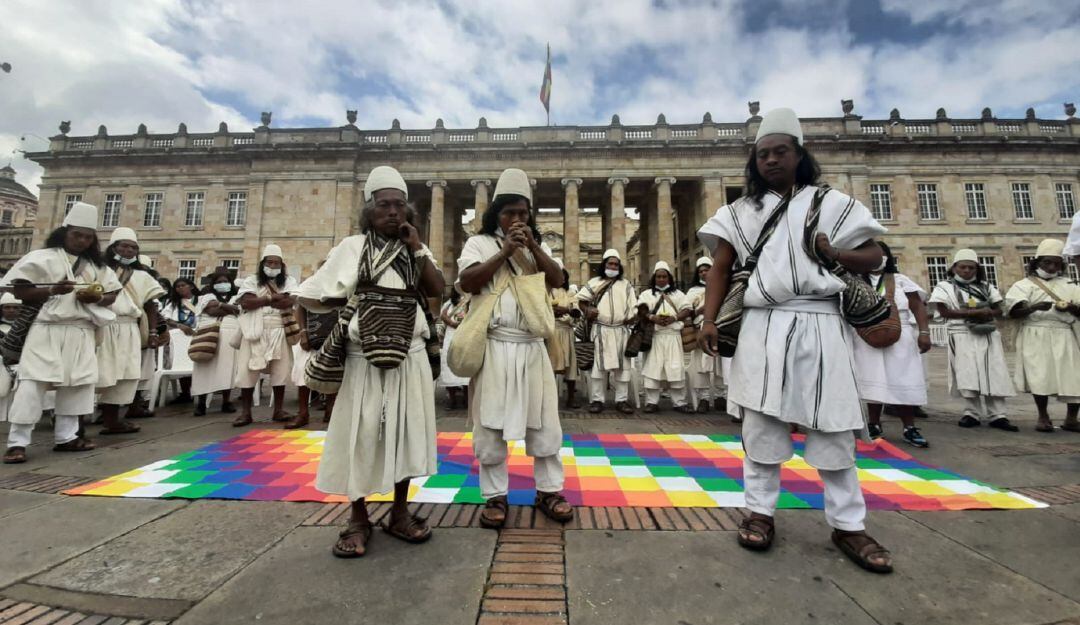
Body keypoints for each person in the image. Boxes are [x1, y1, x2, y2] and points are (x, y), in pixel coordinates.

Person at [698, 108, 893, 574]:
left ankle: (848, 524)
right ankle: (759, 512)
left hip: (822, 320)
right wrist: (709, 319)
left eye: (780, 151)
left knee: (835, 424)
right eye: (762, 154)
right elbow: (720, 269)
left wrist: (835, 252)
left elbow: (875, 255)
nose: (770, 160)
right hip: (762, 322)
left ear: (799, 155)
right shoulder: (739, 212)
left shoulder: (833, 203)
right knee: (761, 424)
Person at [298, 165, 443, 557]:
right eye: (384, 205)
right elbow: (315, 293)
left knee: (405, 431)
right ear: (369, 210)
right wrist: (355, 303)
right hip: (363, 356)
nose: (393, 212)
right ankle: (358, 517)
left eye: (399, 205)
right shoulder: (352, 247)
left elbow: (437, 289)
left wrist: (417, 247)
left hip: (409, 353)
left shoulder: (416, 249)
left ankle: (399, 512)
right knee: (360, 433)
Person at [458, 167, 573, 529]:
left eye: (523, 213)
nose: (517, 219)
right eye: (510, 213)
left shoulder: (540, 247)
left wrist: (532, 247)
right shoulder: (479, 244)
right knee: (489, 424)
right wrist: (504, 252)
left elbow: (558, 280)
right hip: (495, 345)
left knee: (545, 422)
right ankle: (495, 496)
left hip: (531, 345)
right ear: (497, 214)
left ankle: (549, 491)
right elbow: (468, 282)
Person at [2, 202, 122, 464]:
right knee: (32, 383)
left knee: (78, 383)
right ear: (65, 233)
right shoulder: (41, 257)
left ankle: (67, 437)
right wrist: (51, 290)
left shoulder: (98, 266)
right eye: (77, 235)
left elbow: (112, 295)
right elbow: (19, 290)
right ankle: (17, 442)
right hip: (46, 328)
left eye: (88, 237)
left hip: (81, 330)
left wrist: (96, 298)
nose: (82, 241)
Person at [851, 242, 932, 447]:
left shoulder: (900, 280)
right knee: (873, 379)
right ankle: (874, 424)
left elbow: (917, 306)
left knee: (903, 379)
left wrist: (924, 332)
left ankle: (909, 427)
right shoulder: (856, 281)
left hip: (900, 334)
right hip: (867, 335)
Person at [929, 250, 1018, 431]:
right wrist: (972, 313)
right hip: (960, 333)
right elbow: (944, 311)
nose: (967, 271)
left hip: (987, 332)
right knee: (967, 373)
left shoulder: (986, 286)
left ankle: (998, 415)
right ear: (954, 268)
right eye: (963, 267)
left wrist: (987, 312)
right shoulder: (944, 287)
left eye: (971, 268)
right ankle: (971, 413)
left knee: (993, 371)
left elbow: (998, 309)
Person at [1005, 239, 1080, 432]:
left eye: (1056, 263)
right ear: (1037, 262)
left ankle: (1071, 419)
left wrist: (1071, 308)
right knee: (1040, 375)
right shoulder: (1023, 285)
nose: (1052, 267)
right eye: (1047, 262)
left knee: (1073, 375)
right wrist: (1033, 307)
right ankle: (1043, 416)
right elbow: (1013, 312)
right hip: (1035, 333)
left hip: (1064, 333)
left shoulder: (1070, 285)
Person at [96, 228, 165, 435]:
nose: (128, 251)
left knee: (126, 374)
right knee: (99, 372)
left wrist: (153, 332)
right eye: (124, 246)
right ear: (113, 248)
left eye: (133, 247)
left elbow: (151, 305)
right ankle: (77, 425)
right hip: (103, 325)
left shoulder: (142, 275)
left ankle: (112, 420)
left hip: (129, 327)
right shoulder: (99, 270)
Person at [233, 244, 298, 427]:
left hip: (279, 328)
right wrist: (271, 298)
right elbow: (246, 303)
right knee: (247, 370)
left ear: (282, 265)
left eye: (276, 263)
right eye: (269, 262)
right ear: (263, 263)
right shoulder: (251, 280)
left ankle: (278, 410)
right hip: (254, 328)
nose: (273, 266)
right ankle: (246, 413)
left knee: (280, 371)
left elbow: (289, 301)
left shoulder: (289, 281)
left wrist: (260, 301)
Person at [576, 249, 637, 414]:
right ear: (604, 265)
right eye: (610, 263)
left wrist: (632, 317)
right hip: (600, 330)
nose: (613, 267)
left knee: (622, 368)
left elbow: (633, 306)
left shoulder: (626, 285)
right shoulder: (594, 282)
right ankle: (597, 400)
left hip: (620, 330)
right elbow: (581, 301)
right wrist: (587, 310)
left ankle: (621, 400)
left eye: (616, 264)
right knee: (599, 367)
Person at [637, 261, 692, 413]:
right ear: (654, 278)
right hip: (655, 337)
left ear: (669, 278)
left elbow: (687, 309)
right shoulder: (646, 294)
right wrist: (652, 317)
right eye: (658, 276)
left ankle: (679, 402)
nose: (661, 279)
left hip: (673, 336)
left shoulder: (678, 294)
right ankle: (651, 402)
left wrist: (675, 318)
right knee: (653, 369)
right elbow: (640, 310)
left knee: (675, 368)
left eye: (664, 276)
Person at [682, 257, 728, 414]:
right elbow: (686, 311)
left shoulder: (723, 287)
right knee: (701, 367)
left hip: (719, 330)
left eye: (707, 269)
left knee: (720, 365)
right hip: (700, 331)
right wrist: (699, 310)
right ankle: (704, 398)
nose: (703, 273)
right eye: (701, 271)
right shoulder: (692, 291)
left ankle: (721, 396)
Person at [191, 267, 240, 416]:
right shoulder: (206, 296)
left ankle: (226, 401)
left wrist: (219, 305)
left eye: (225, 281)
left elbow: (238, 310)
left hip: (229, 335)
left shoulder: (236, 296)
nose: (222, 284)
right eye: (219, 282)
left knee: (227, 369)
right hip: (208, 333)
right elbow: (211, 311)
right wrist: (228, 308)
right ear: (213, 283)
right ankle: (201, 403)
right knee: (205, 367)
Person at [285, 300, 338, 429]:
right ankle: (303, 413)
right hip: (310, 332)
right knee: (303, 370)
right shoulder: (308, 289)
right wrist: (303, 333)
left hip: (333, 328)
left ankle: (330, 411)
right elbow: (301, 306)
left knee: (333, 369)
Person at [160, 277, 199, 405]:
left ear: (191, 286)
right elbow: (165, 317)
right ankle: (185, 393)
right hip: (178, 339)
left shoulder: (201, 300)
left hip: (197, 336)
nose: (180, 288)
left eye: (183, 285)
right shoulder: (173, 303)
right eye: (177, 286)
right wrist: (179, 325)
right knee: (181, 363)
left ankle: (198, 393)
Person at [548, 259, 581, 409]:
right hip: (551, 332)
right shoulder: (546, 290)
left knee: (570, 366)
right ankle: (550, 399)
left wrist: (566, 310)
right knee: (551, 365)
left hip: (567, 332)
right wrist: (552, 312)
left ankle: (571, 398)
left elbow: (577, 313)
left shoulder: (570, 292)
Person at [437, 288, 470, 409]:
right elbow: (443, 316)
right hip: (451, 337)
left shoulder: (471, 301)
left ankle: (467, 400)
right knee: (449, 367)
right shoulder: (449, 304)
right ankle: (452, 400)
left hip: (466, 337)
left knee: (466, 368)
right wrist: (452, 323)